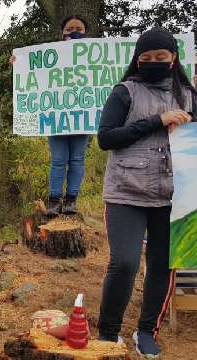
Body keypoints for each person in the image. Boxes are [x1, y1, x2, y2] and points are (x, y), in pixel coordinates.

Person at [97, 27, 196, 359]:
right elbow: (106, 137)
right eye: (147, 58)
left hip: (175, 195)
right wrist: (157, 120)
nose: (154, 62)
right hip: (127, 192)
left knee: (163, 265)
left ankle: (146, 331)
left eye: (161, 57)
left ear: (174, 59)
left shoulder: (189, 94)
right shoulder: (125, 91)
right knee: (124, 263)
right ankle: (109, 333)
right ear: (137, 60)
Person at [10, 15, 91, 216]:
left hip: (82, 117)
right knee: (58, 160)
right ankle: (54, 201)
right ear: (62, 32)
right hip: (56, 118)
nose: (74, 31)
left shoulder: (92, 54)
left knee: (77, 159)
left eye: (79, 28)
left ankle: (71, 200)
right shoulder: (51, 55)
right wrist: (19, 64)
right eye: (70, 28)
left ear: (86, 32)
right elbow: (34, 75)